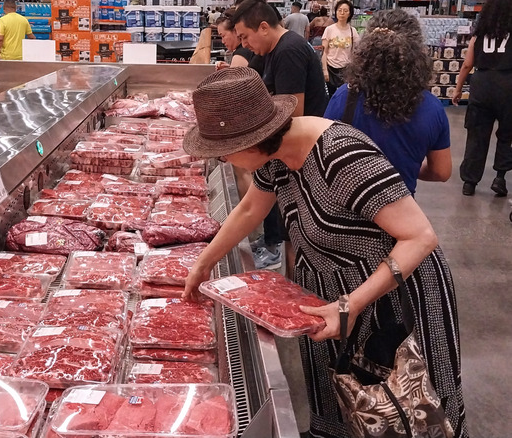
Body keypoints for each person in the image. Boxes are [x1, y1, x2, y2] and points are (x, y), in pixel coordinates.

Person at [182, 67, 467, 438]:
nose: (222, 161)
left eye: (223, 153)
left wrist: (352, 305)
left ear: (250, 143)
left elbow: (420, 237)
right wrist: (204, 262)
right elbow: (252, 208)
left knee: (404, 411)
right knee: (344, 405)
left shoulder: (342, 156)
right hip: (328, 290)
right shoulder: (274, 156)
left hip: (391, 294)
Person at [233, 0, 328, 270]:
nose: (245, 45)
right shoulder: (274, 51)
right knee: (288, 227)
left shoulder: (289, 51)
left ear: (263, 27)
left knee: (295, 231)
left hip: (303, 154)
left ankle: (293, 283)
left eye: (245, 37)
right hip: (292, 152)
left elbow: (293, 114)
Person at [324, 9, 451, 195]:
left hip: (347, 210)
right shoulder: (432, 108)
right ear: (416, 52)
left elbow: (325, 156)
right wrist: (406, 168)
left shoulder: (344, 96)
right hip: (399, 213)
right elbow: (441, 171)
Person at [453, 0, 512, 197]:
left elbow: (467, 64)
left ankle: (469, 182)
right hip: (508, 85)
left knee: (476, 135)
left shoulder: (479, 35)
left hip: (482, 84)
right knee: (506, 135)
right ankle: (500, 178)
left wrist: (458, 89)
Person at [321, 0, 359, 96]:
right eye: (340, 10)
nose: (342, 13)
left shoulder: (352, 31)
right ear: (336, 11)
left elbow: (356, 52)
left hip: (346, 69)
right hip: (331, 68)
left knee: (344, 96)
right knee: (330, 96)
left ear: (350, 13)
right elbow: (324, 52)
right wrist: (325, 70)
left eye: (345, 11)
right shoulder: (329, 29)